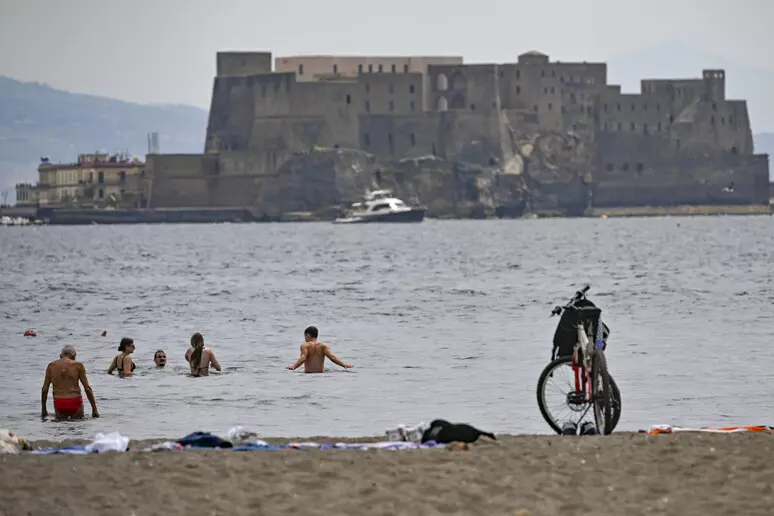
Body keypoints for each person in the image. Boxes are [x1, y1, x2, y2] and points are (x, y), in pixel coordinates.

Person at [41, 345, 99, 419]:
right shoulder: (78, 365)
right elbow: (87, 388)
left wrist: (43, 409)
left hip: (59, 402)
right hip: (75, 400)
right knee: (78, 426)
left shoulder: (51, 366)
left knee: (60, 428)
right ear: (74, 356)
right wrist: (94, 409)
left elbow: (44, 390)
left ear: (60, 356)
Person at [287, 326, 353, 373]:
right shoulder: (323, 346)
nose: (305, 338)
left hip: (308, 374)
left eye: (305, 336)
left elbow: (303, 358)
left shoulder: (305, 345)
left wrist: (294, 366)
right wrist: (344, 365)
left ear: (308, 335)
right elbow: (332, 357)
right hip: (321, 373)